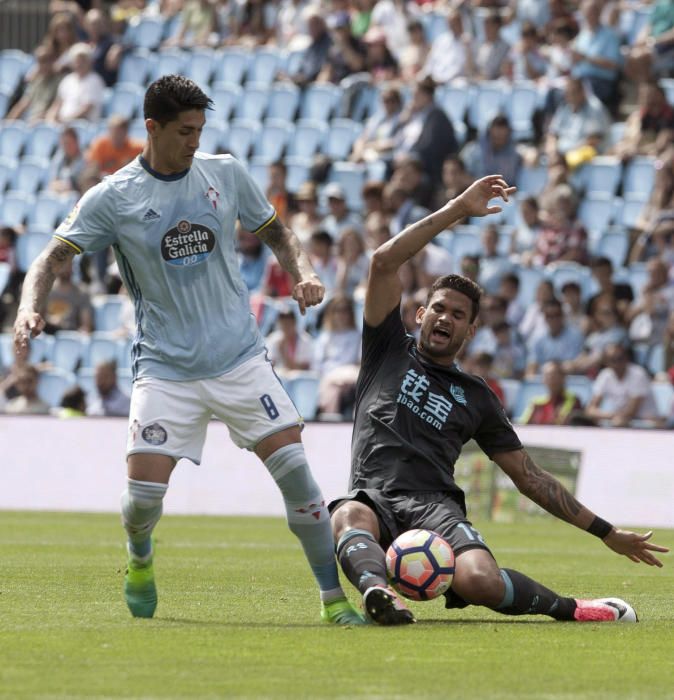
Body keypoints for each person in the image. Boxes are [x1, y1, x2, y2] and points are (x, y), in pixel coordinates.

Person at [13, 75, 363, 626]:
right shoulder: (114, 197)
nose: (194, 141)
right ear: (151, 128)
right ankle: (140, 556)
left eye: (200, 130)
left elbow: (276, 233)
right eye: (184, 131)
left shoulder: (222, 172)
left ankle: (334, 600)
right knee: (142, 503)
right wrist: (31, 305)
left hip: (241, 360)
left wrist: (304, 273)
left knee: (300, 479)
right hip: (166, 371)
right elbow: (51, 260)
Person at [327, 174, 668, 626]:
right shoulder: (387, 348)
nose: (446, 317)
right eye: (440, 308)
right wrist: (458, 210)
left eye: (459, 314)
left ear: (470, 332)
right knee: (348, 513)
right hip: (374, 493)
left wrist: (605, 532)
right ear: (421, 314)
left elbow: (530, 479)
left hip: (434, 506)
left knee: (480, 581)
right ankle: (377, 592)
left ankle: (577, 610)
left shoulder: (477, 397)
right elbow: (383, 261)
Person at [520, 360, 582, 425]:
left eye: (554, 375)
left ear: (563, 378)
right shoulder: (536, 403)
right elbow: (522, 424)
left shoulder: (573, 400)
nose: (550, 379)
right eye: (547, 375)